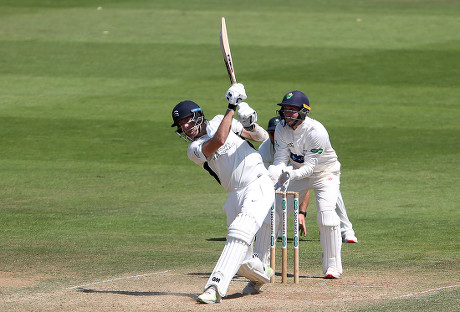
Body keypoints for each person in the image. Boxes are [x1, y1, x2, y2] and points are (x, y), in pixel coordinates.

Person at [171, 83, 275, 304]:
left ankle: (214, 287)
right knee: (243, 258)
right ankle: (264, 273)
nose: (187, 128)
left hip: (258, 183)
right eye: (182, 125)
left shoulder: (220, 120)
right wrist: (231, 106)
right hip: (234, 194)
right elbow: (218, 141)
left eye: (188, 120)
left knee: (238, 232)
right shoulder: (194, 150)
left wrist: (250, 123)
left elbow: (261, 137)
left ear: (199, 116)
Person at [266, 90, 348, 279]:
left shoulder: (316, 131)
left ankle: (332, 266)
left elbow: (311, 167)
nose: (286, 113)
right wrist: (274, 173)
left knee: (327, 215)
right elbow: (280, 158)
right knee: (274, 209)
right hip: (297, 172)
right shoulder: (280, 128)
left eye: (291, 110)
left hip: (325, 173)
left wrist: (290, 174)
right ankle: (260, 261)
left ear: (303, 111)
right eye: (285, 109)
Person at [258, 117, 358, 242]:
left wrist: (301, 212)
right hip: (292, 178)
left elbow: (307, 180)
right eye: (271, 134)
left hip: (315, 172)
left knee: (332, 190)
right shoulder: (264, 151)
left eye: (275, 133)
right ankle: (274, 228)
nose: (274, 137)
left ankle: (346, 230)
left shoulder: (298, 143)